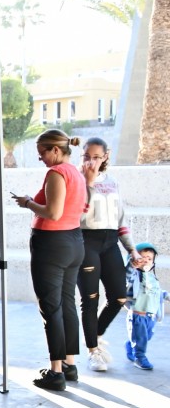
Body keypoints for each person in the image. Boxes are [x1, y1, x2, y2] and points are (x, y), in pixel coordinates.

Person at [14, 130, 88, 391]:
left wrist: (28, 203)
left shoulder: (56, 173)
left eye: (43, 152)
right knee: (67, 303)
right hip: (74, 241)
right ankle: (70, 364)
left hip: (52, 243)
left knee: (51, 307)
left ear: (56, 150)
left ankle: (55, 371)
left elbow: (53, 212)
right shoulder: (76, 173)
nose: (41, 158)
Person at [78, 138, 141, 371]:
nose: (91, 161)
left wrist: (132, 249)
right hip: (86, 241)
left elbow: (120, 219)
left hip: (110, 241)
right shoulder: (77, 179)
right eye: (87, 156)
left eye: (96, 157)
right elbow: (76, 215)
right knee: (90, 299)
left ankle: (95, 335)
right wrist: (87, 183)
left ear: (105, 156)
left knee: (119, 296)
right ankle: (93, 350)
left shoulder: (113, 182)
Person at [126, 242, 162, 370]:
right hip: (138, 314)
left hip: (150, 315)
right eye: (143, 257)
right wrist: (132, 266)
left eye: (149, 258)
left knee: (147, 336)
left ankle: (131, 345)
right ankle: (139, 357)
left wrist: (166, 295)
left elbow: (155, 291)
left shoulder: (152, 276)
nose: (146, 260)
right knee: (141, 339)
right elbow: (127, 280)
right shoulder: (134, 275)